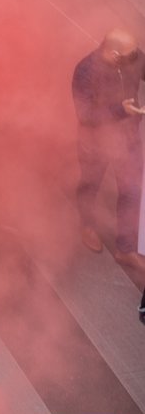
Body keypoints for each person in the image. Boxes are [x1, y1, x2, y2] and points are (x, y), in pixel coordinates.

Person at [71, 28, 145, 270]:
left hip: (128, 138)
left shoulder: (132, 56)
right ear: (114, 54)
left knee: (132, 191)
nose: (138, 57)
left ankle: (125, 249)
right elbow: (87, 115)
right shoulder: (85, 72)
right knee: (91, 183)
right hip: (96, 142)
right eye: (131, 54)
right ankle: (86, 225)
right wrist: (121, 111)